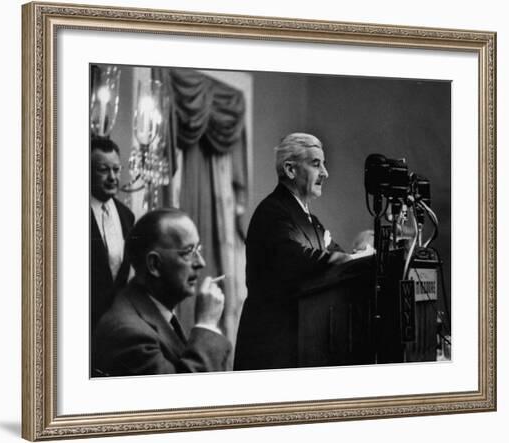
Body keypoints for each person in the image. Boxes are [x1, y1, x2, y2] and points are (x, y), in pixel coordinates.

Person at [235, 133, 361, 371]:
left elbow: (339, 259)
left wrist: (359, 256)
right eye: (316, 164)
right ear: (290, 169)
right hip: (272, 348)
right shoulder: (272, 212)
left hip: (303, 343)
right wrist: (350, 259)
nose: (325, 173)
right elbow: (296, 259)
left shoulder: (311, 220)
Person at [92, 208, 232, 376]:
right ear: (154, 265)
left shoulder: (150, 307)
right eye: (188, 252)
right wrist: (206, 324)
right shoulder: (129, 334)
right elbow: (184, 396)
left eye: (198, 250)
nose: (200, 262)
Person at [90, 137, 135, 331]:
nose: (112, 177)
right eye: (103, 170)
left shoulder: (127, 216)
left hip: (115, 326)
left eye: (116, 170)